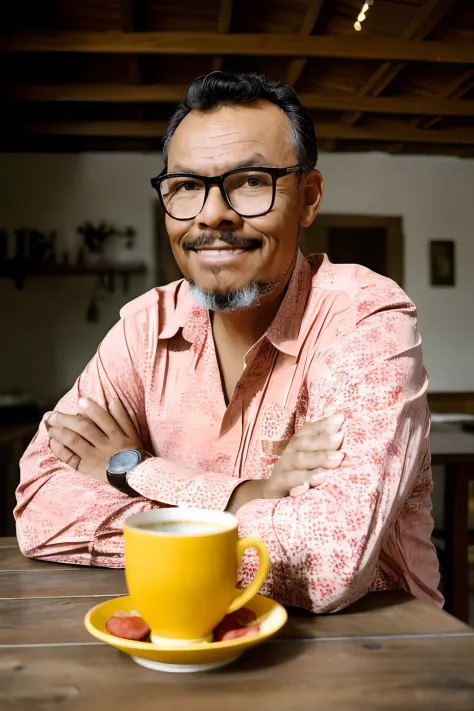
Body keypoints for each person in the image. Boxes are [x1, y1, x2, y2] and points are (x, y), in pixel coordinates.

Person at [15, 72, 442, 613]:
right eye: (188, 186)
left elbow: (325, 559)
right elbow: (39, 508)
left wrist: (133, 470)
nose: (213, 213)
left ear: (308, 199)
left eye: (251, 181)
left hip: (372, 654)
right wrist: (250, 495)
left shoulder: (365, 319)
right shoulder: (144, 325)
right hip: (180, 634)